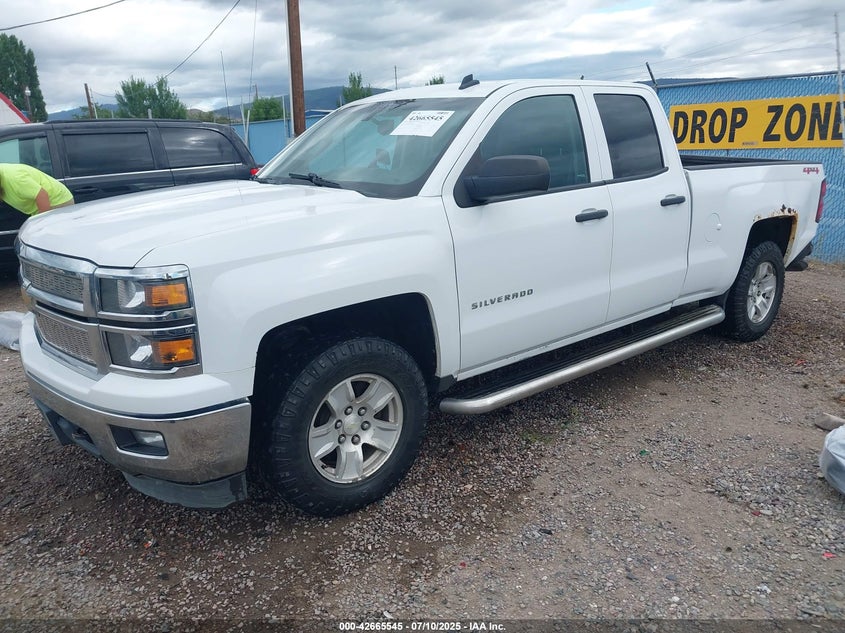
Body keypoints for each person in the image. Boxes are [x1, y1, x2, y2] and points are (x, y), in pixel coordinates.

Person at [0, 163, 74, 216]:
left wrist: (43, 222)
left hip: (57, 202)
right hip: (39, 207)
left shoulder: (16, 179)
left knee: (46, 231)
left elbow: (42, 195)